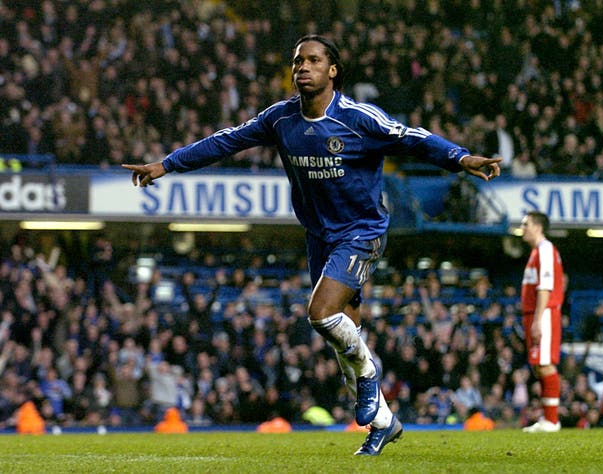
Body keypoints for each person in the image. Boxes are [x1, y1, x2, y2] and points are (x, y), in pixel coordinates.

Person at [123, 34, 501, 455]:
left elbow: (413, 137)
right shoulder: (280, 119)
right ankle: (384, 422)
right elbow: (225, 140)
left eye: (313, 60)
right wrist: (166, 165)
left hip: (362, 230)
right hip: (319, 235)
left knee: (321, 313)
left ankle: (371, 377)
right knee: (347, 338)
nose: (302, 67)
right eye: (297, 60)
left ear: (332, 70)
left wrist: (461, 158)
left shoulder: (358, 118)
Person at [520, 211, 565, 433]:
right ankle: (548, 419)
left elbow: (545, 286)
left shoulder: (545, 250)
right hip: (536, 314)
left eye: (526, 224)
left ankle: (552, 420)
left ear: (538, 226)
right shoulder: (538, 252)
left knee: (545, 364)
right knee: (539, 366)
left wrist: (538, 319)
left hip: (544, 313)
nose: (523, 228)